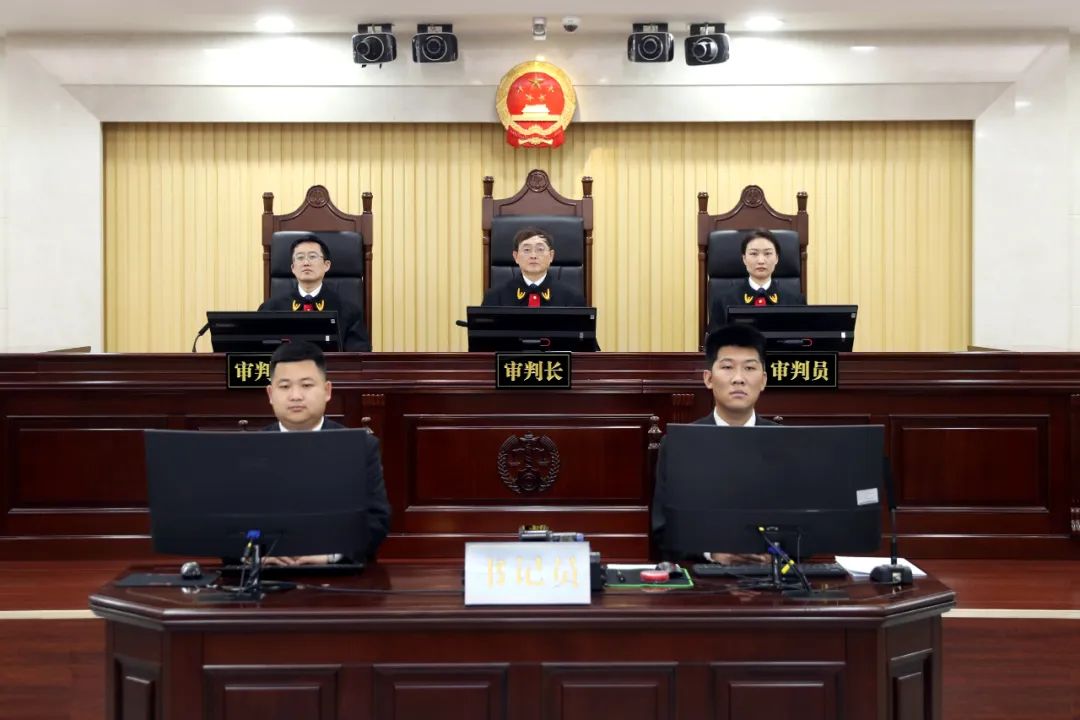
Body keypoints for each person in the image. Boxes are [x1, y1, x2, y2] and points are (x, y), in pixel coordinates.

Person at [651, 323, 776, 564]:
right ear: (708, 379)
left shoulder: (786, 443)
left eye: (749, 368)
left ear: (763, 380)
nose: (738, 379)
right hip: (704, 576)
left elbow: (806, 529)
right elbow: (663, 528)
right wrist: (713, 553)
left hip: (774, 577)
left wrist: (773, 556)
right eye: (727, 367)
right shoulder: (680, 445)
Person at [261, 341, 390, 565]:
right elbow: (224, 526)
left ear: (327, 391)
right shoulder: (246, 448)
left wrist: (331, 556)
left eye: (306, 385)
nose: (295, 396)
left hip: (336, 574)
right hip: (264, 574)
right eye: (285, 386)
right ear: (271, 394)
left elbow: (377, 520)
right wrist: (257, 556)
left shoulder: (360, 447)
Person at [258, 234, 372, 352]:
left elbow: (358, 356)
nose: (306, 262)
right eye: (300, 257)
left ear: (326, 265)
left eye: (312, 256)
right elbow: (259, 351)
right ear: (293, 268)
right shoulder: (270, 309)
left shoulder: (349, 311)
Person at [707, 228, 806, 334]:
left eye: (767, 253)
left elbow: (805, 339)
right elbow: (715, 342)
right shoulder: (723, 302)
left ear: (777, 258)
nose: (761, 261)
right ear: (744, 259)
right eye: (754, 254)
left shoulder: (795, 301)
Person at [481, 226, 587, 307]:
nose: (533, 256)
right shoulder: (494, 298)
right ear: (516, 256)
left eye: (540, 249)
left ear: (551, 256)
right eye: (527, 250)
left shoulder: (572, 299)